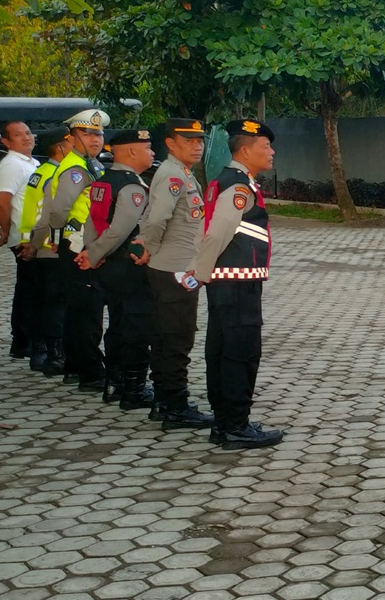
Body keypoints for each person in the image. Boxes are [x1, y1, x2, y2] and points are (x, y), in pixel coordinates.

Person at [188, 119, 284, 450]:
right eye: (265, 147)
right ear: (245, 150)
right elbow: (216, 233)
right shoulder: (239, 186)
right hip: (236, 283)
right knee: (240, 353)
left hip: (228, 282)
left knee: (221, 348)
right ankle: (235, 425)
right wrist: (199, 273)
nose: (271, 152)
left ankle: (225, 420)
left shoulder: (227, 180)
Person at [138, 118, 217, 429]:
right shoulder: (172, 174)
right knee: (176, 339)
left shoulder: (179, 172)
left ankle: (163, 400)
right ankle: (175, 406)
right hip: (175, 268)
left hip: (170, 266)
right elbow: (157, 218)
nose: (197, 146)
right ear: (170, 143)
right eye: (189, 140)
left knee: (164, 336)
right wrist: (151, 246)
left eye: (200, 140)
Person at [78, 128, 158, 409]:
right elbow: (119, 230)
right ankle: (133, 389)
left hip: (107, 264)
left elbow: (92, 221)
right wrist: (95, 252)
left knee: (118, 323)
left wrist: (91, 251)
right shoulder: (131, 186)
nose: (153, 153)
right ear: (132, 151)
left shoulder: (103, 181)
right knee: (136, 325)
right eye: (148, 148)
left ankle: (115, 381)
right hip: (128, 265)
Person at [29, 109, 108, 392]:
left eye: (98, 134)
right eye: (87, 134)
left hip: (81, 243)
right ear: (71, 137)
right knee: (86, 311)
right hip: (77, 244)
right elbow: (59, 211)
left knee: (81, 309)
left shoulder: (91, 165)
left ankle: (77, 367)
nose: (95, 139)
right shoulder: (76, 168)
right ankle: (90, 371)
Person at [17, 129, 67, 375]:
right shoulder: (57, 175)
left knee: (41, 301)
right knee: (55, 304)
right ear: (60, 148)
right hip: (51, 246)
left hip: (37, 244)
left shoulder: (41, 172)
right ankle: (53, 353)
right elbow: (49, 215)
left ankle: (40, 352)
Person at [0, 120, 38, 360]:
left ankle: (27, 339)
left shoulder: (30, 162)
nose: (26, 137)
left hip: (32, 235)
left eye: (28, 133)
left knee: (31, 288)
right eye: (18, 135)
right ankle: (23, 341)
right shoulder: (12, 164)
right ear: (6, 142)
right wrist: (6, 229)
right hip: (23, 236)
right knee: (28, 291)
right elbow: (0, 200)